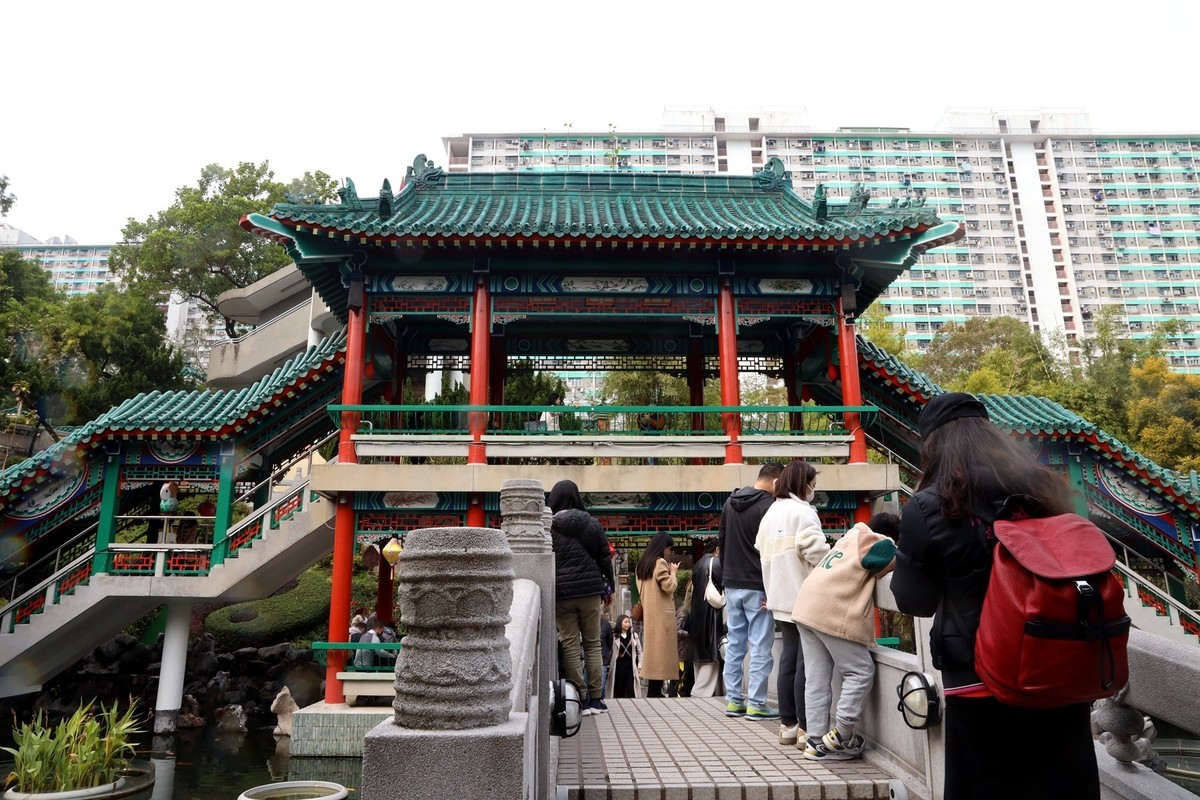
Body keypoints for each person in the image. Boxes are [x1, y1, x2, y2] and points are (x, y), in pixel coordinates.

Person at [890, 392, 1092, 799]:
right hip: (1057, 668)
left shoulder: (932, 506)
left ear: (932, 446)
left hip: (979, 678)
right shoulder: (1046, 491)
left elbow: (915, 601)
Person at [792, 514, 898, 761]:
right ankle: (842, 736)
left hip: (806, 605)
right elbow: (889, 561)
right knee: (860, 671)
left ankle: (816, 742)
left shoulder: (850, 537)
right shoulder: (879, 541)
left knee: (816, 678)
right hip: (830, 611)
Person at [756, 460, 830, 744]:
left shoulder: (771, 512)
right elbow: (816, 552)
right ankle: (804, 726)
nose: (814, 489)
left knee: (788, 658)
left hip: (779, 595)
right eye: (812, 483)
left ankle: (787, 724)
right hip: (803, 595)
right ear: (804, 483)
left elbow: (760, 550)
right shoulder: (803, 513)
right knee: (805, 663)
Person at [718, 461, 784, 719]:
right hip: (758, 586)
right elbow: (771, 551)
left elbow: (722, 542)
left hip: (732, 584)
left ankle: (734, 700)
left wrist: (726, 577)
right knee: (759, 647)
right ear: (776, 482)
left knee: (735, 645)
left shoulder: (729, 503)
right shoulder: (769, 507)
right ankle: (757, 703)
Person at [548, 479, 615, 715]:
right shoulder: (592, 523)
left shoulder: (549, 526)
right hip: (589, 592)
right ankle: (597, 699)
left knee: (570, 644)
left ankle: (580, 698)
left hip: (563, 594)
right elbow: (604, 557)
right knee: (593, 643)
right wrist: (611, 586)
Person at [634, 531, 678, 698]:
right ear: (663, 547)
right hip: (662, 615)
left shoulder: (642, 564)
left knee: (653, 653)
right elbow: (669, 587)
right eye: (668, 549)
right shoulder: (659, 563)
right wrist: (673, 572)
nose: (668, 552)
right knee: (661, 654)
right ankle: (655, 690)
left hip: (650, 614)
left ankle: (654, 689)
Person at [688, 538, 725, 698]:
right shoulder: (716, 564)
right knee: (710, 658)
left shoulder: (698, 564)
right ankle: (699, 693)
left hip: (697, 615)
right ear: (717, 549)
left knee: (699, 658)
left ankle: (700, 691)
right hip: (711, 615)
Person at [608, 614, 642, 698]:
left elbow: (640, 651)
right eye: (625, 622)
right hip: (618, 666)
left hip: (631, 665)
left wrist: (640, 666)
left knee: (631, 689)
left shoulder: (634, 636)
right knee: (619, 689)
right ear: (620, 623)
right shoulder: (614, 637)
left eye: (628, 622)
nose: (628, 624)